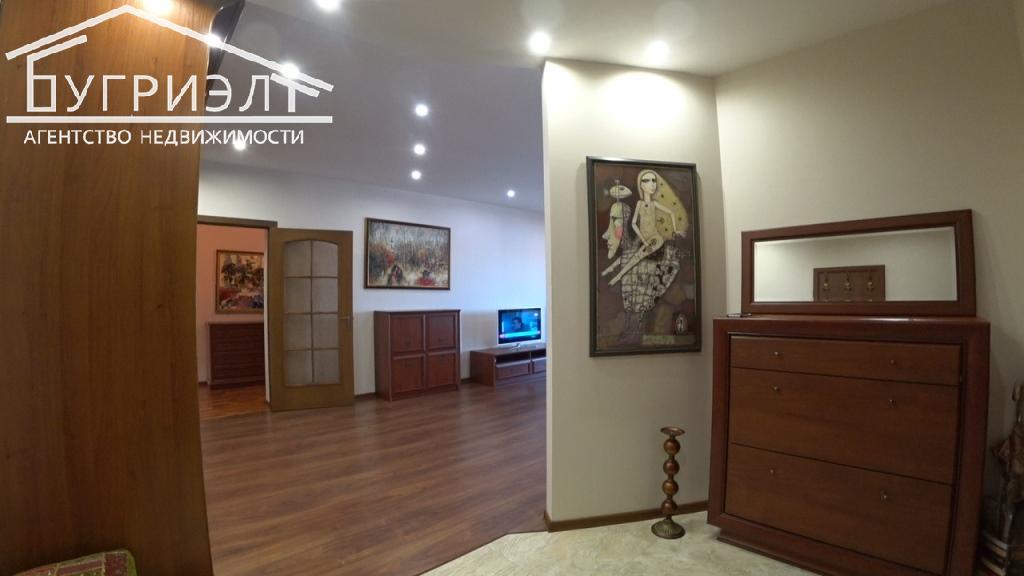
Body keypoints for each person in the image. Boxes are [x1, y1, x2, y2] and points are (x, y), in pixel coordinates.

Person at [608, 169, 687, 286]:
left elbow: (671, 213)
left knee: (637, 256)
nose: (652, 184)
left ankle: (618, 277)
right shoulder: (639, 204)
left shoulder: (654, 204)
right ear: (641, 185)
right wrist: (643, 239)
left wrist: (675, 230)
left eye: (654, 180)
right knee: (631, 253)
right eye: (648, 181)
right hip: (643, 237)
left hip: (655, 238)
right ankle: (612, 268)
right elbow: (634, 223)